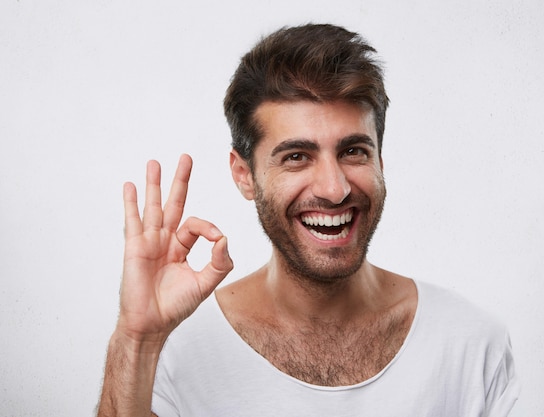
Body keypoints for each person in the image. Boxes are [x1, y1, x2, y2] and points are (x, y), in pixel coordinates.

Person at [97, 23, 520, 417]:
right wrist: (137, 339)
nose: (334, 189)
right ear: (244, 175)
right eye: (297, 157)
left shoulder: (471, 344)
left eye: (354, 151)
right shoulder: (175, 354)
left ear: (380, 161)